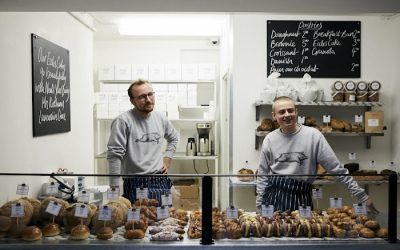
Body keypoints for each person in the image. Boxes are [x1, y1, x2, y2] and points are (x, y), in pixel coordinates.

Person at [256, 96, 378, 213]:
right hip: (274, 198)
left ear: (296, 112)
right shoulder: (270, 139)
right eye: (282, 112)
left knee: (305, 232)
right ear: (274, 116)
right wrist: (259, 205)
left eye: (290, 110)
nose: (287, 114)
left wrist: (361, 196)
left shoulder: (313, 135)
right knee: (275, 233)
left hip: (302, 198)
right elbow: (262, 175)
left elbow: (335, 168)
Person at [107, 79, 179, 203]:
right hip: (135, 182)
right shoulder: (123, 121)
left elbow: (174, 138)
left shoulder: (160, 118)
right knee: (139, 220)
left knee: (166, 220)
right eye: (142, 97)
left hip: (160, 179)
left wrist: (167, 159)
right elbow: (114, 156)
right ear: (132, 101)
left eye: (150, 94)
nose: (148, 100)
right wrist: (114, 192)